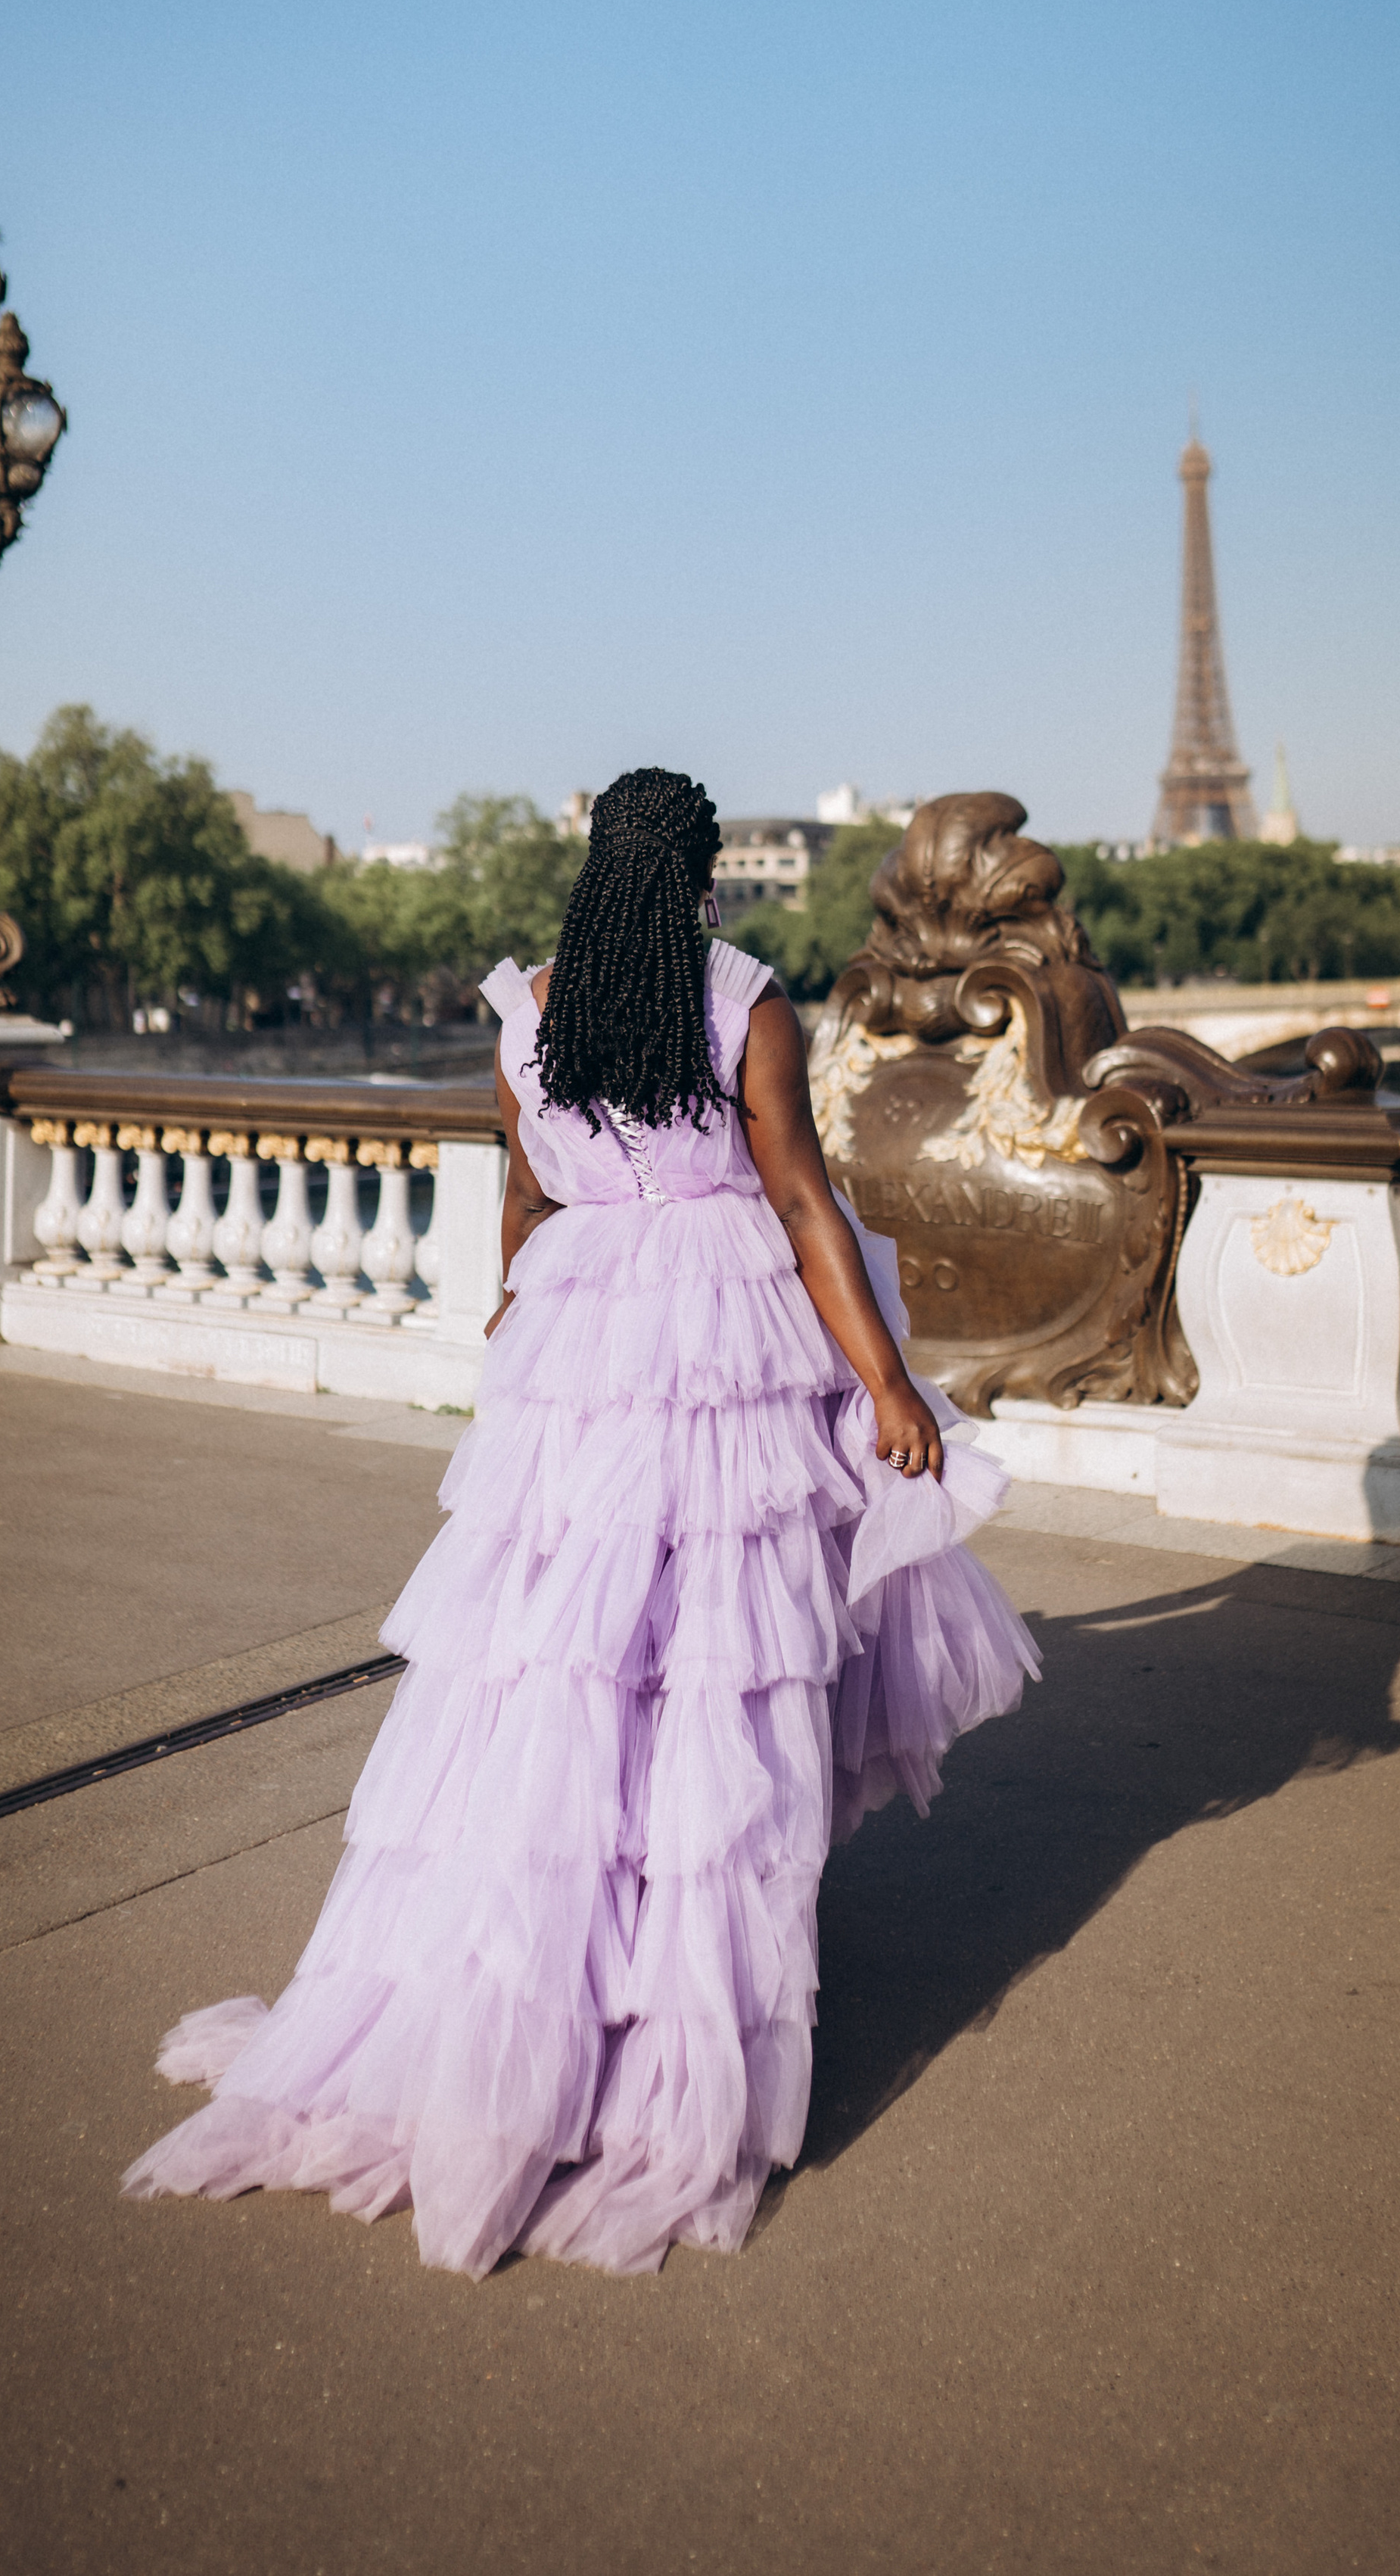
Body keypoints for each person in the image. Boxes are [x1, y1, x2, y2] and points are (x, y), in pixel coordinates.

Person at [124, 766, 1038, 2276]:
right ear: (702, 876)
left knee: (564, 1658)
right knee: (708, 1663)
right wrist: (888, 1383)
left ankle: (527, 1995)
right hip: (727, 1343)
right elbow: (800, 1201)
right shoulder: (741, 1000)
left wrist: (515, 1318)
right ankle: (666, 2011)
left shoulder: (529, 1013)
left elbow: (524, 1198)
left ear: (594, 873)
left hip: (584, 1341)